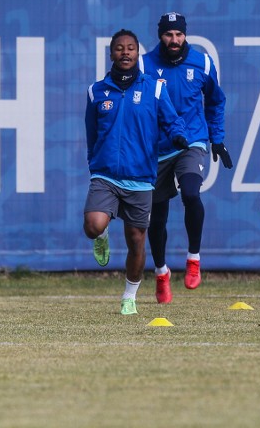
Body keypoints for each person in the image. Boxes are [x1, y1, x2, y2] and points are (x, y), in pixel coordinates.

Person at [83, 28, 189, 316]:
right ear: (111, 54)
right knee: (93, 225)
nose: (125, 52)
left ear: (138, 53)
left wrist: (179, 135)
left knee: (136, 241)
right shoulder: (97, 91)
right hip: (105, 175)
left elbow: (172, 119)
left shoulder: (154, 88)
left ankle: (129, 296)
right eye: (119, 48)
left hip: (140, 179)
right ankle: (102, 234)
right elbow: (92, 134)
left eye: (130, 48)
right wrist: (95, 162)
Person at [140, 12, 232, 304]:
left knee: (191, 193)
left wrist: (216, 138)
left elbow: (216, 101)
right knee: (157, 217)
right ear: (160, 36)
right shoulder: (144, 65)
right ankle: (161, 272)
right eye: (169, 35)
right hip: (157, 150)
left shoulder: (202, 62)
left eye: (179, 34)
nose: (174, 40)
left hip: (191, 142)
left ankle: (193, 258)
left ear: (185, 34)